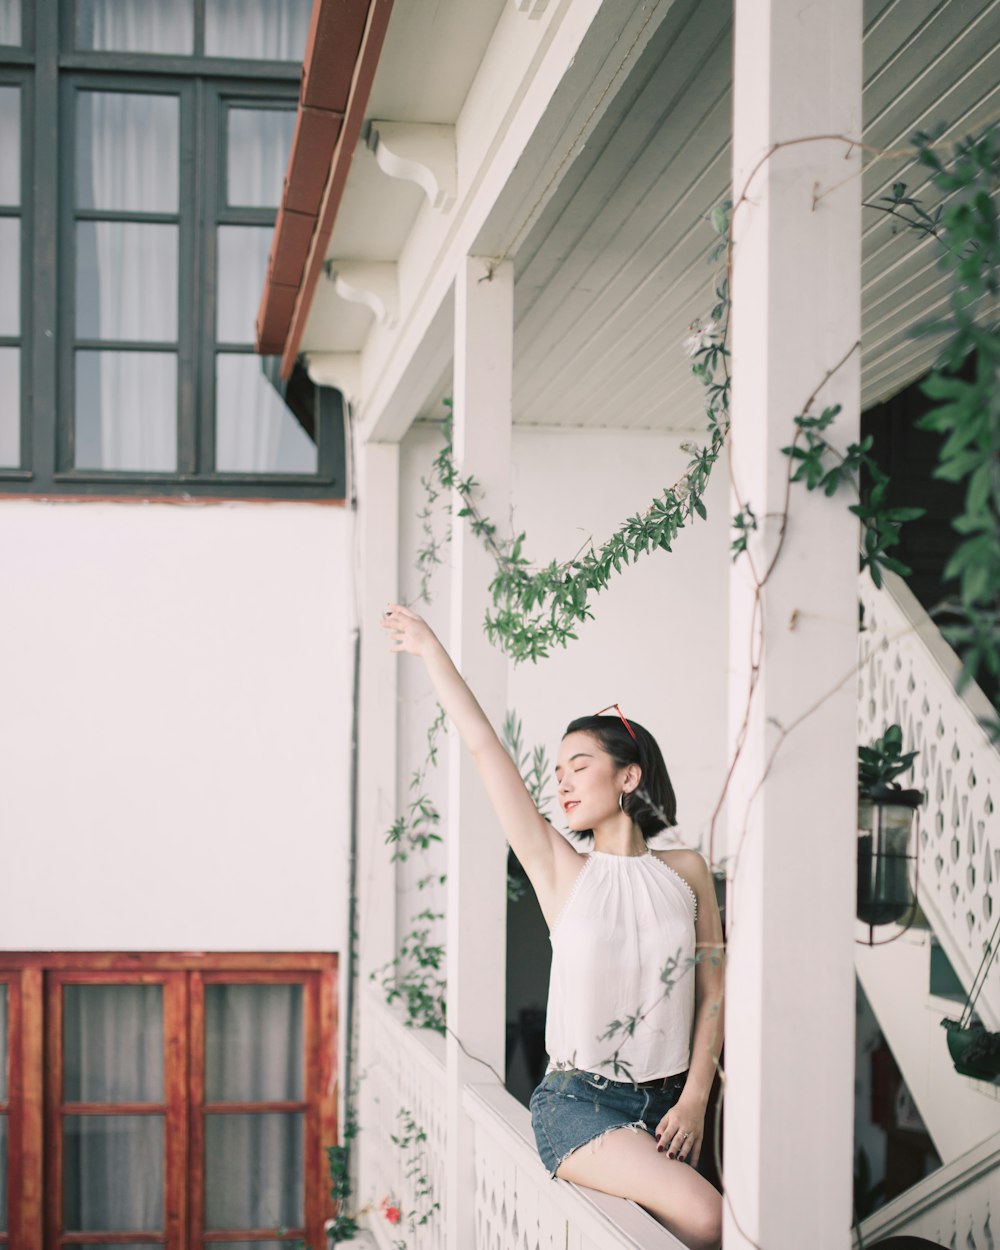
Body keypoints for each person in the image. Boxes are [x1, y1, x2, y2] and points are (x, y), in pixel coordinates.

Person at [382, 603, 724, 1250]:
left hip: (671, 1109)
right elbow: (485, 748)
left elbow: (714, 992)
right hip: (580, 1107)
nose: (561, 780)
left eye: (579, 764)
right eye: (557, 768)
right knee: (708, 1220)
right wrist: (431, 650)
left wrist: (696, 1098)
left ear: (629, 776)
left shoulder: (688, 873)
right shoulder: (561, 869)